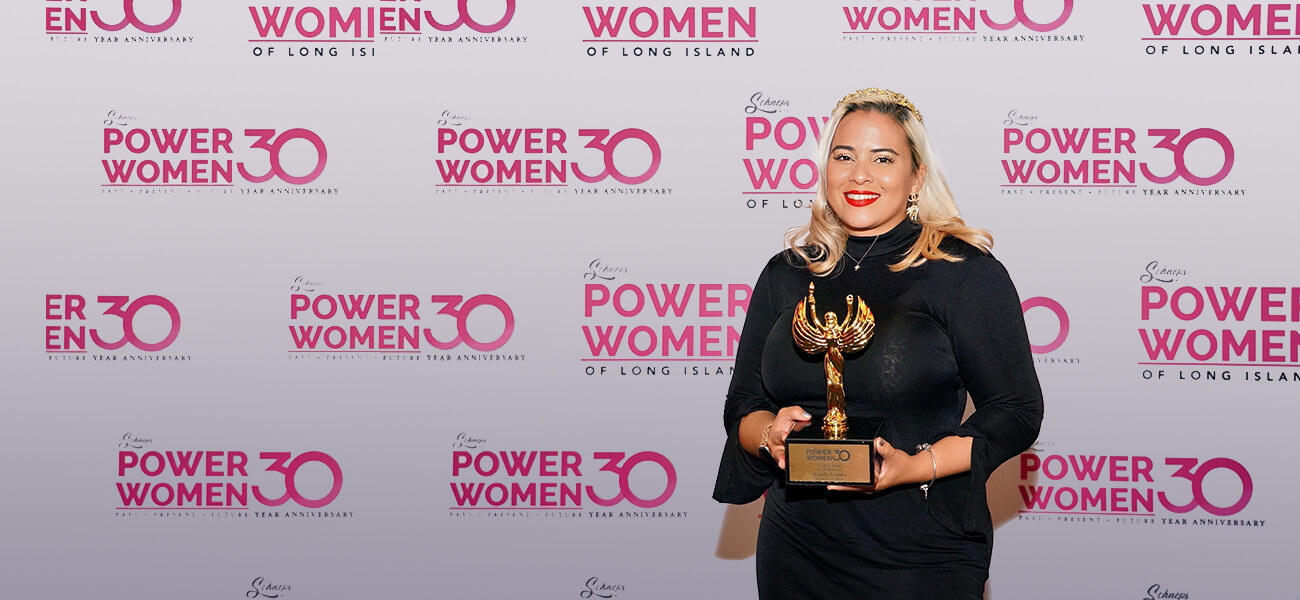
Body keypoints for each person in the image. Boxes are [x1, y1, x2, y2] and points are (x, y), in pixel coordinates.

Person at [713, 88, 1043, 599]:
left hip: (918, 556)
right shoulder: (786, 273)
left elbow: (1016, 410)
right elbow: (745, 403)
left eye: (882, 159)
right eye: (843, 156)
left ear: (916, 176)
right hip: (795, 549)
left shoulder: (964, 273)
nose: (859, 174)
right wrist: (768, 437)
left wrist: (914, 466)